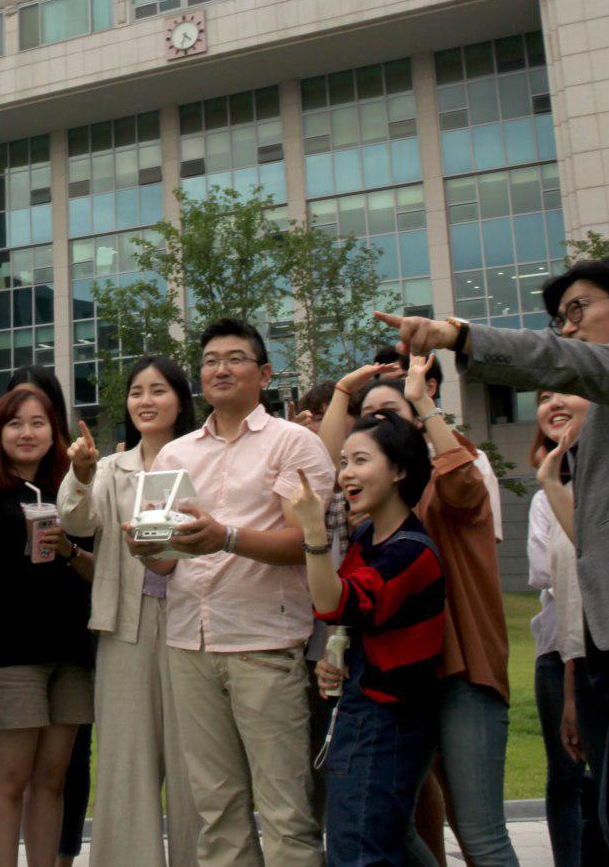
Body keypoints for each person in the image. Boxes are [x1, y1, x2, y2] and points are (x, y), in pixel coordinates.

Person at [375, 257, 609, 864]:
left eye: (578, 311)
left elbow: (564, 361)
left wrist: (456, 336)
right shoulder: (608, 412)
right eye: (558, 318)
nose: (567, 330)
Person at [125, 318, 336, 867]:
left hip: (263, 643)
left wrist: (228, 537)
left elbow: (305, 541)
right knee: (217, 811)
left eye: (236, 358)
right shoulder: (175, 456)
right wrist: (148, 548)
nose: (220, 368)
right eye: (211, 359)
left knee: (287, 812)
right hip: (189, 645)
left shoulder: (296, 444)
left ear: (264, 373)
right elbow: (169, 563)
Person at [319, 355, 518, 866]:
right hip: (405, 680)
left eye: (389, 413)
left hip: (462, 669)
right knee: (389, 825)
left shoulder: (451, 478)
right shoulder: (371, 519)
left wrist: (426, 402)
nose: (375, 423)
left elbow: (459, 485)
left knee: (477, 831)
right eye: (367, 416)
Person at [58, 354, 200, 866]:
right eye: (137, 392)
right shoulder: (110, 468)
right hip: (125, 625)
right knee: (125, 761)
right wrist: (78, 473)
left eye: (158, 390)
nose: (146, 400)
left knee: (196, 762)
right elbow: (76, 521)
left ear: (180, 401)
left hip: (193, 622)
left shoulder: (201, 459)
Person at [290, 409, 445, 867]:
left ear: (399, 469)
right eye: (343, 462)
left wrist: (313, 530)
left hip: (388, 721)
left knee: (358, 849)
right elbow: (341, 616)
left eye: (361, 460)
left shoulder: (411, 551)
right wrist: (334, 656)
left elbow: (337, 603)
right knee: (386, 840)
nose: (347, 474)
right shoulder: (368, 540)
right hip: (364, 712)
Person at [0, 364, 93, 867]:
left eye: (38, 422)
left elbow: (96, 568)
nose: (27, 432)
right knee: (9, 778)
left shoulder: (72, 485)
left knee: (52, 778)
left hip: (70, 651)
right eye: (15, 423)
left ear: (54, 429)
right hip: (6, 653)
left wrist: (68, 552)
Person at [528, 390, 608, 867]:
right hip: (565, 654)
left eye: (566, 391)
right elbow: (552, 578)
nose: (552, 402)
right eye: (542, 396)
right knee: (569, 777)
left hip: (606, 656)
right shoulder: (546, 494)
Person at [373, 344, 503, 542]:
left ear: (430, 387)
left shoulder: (472, 462)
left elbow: (485, 538)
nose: (390, 396)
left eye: (401, 383)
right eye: (383, 387)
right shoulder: (371, 465)